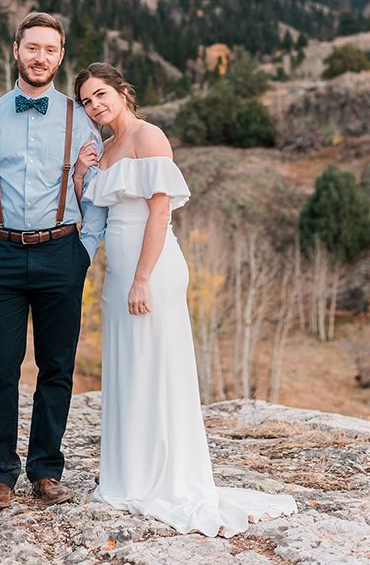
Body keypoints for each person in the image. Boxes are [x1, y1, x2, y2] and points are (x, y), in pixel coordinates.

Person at [73, 62, 297, 536]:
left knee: (156, 364)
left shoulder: (149, 137)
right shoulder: (106, 147)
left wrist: (141, 278)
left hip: (150, 268)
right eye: (87, 101)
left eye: (100, 95)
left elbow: (158, 215)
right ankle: (129, 473)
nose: (94, 105)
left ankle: (167, 475)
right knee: (128, 365)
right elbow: (90, 205)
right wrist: (80, 174)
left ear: (121, 90)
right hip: (119, 271)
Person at [0, 12, 107, 512]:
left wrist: (87, 248)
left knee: (57, 366)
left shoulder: (80, 118)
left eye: (51, 49)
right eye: (32, 47)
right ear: (16, 50)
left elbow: (97, 193)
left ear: (60, 57)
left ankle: (45, 470)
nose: (41, 57)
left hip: (63, 252)